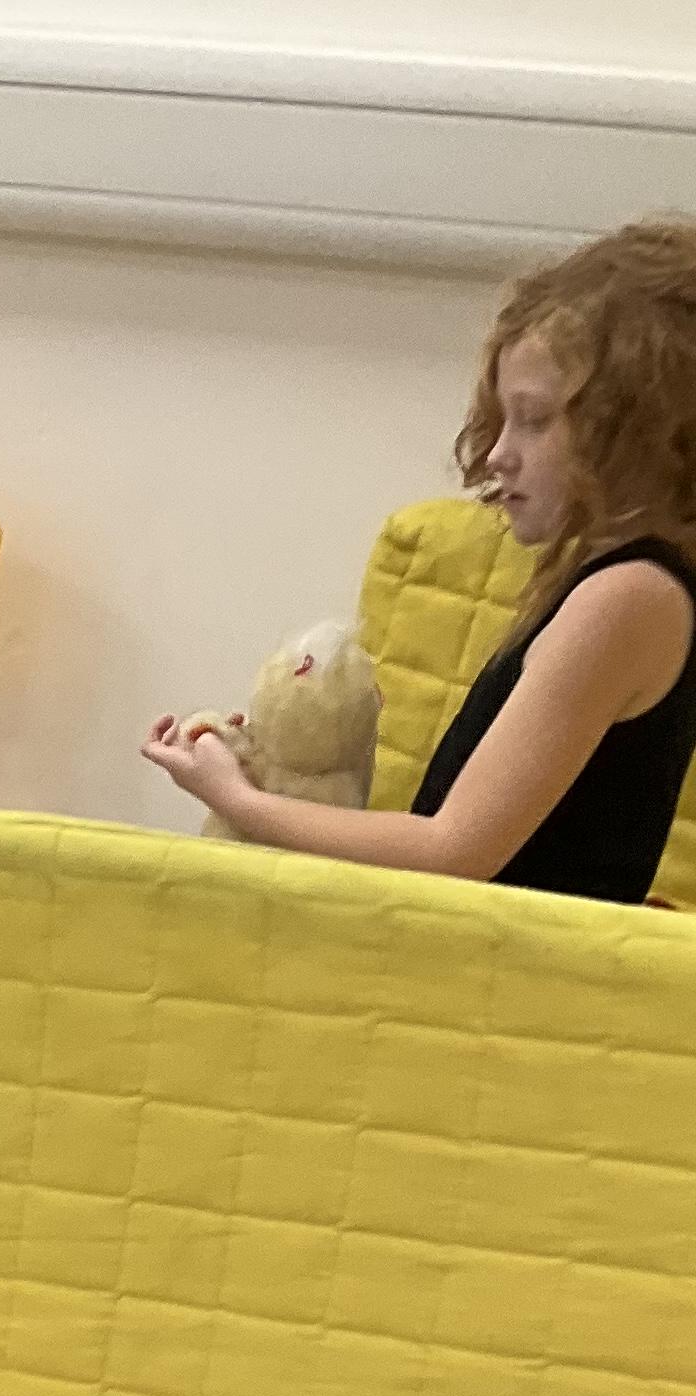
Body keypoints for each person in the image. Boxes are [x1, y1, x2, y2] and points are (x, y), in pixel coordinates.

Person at [144, 218, 696, 896]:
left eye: (534, 419)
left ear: (641, 428)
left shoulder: (628, 597)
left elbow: (454, 849)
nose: (499, 454)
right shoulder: (616, 583)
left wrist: (238, 801)